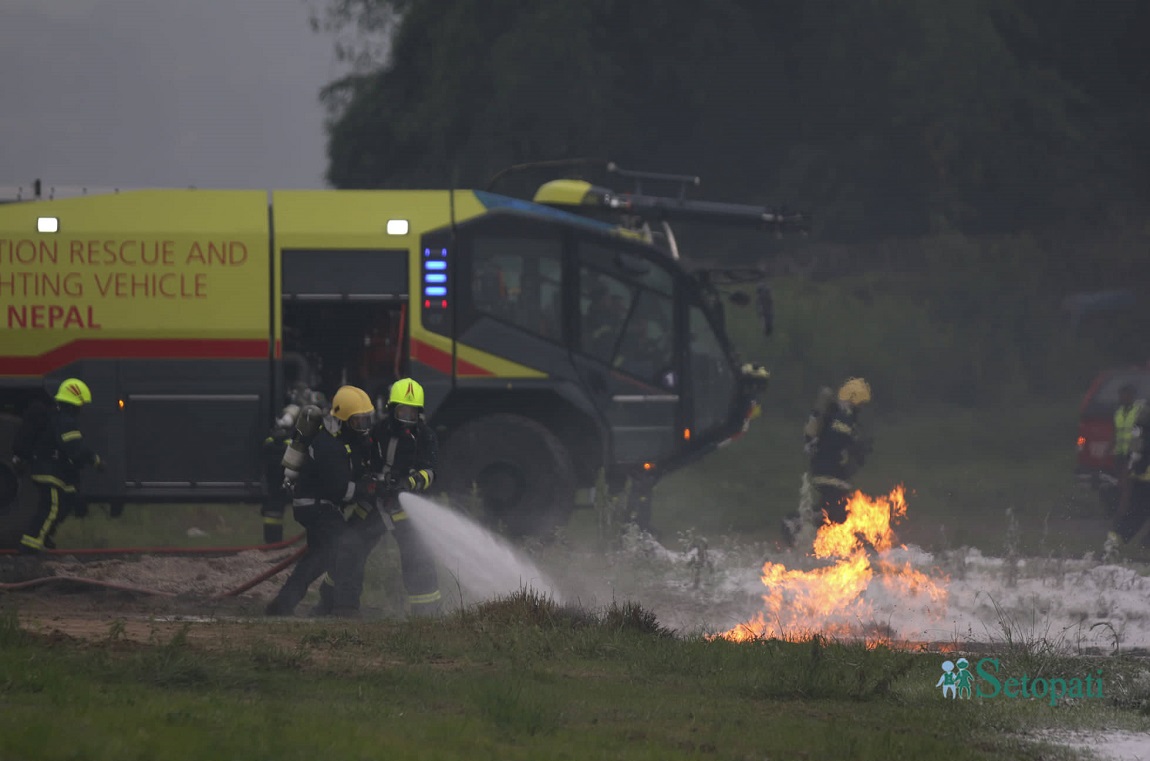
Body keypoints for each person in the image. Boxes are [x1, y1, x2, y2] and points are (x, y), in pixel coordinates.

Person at [314, 377, 442, 618]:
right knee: (349, 549)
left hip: (404, 505)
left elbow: (430, 472)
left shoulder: (426, 437)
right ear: (391, 409)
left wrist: (408, 483)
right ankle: (338, 606)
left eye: (412, 413)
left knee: (417, 556)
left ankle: (427, 612)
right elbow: (362, 458)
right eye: (402, 411)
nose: (407, 418)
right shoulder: (379, 430)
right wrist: (369, 483)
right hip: (373, 504)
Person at [264, 385, 376, 616]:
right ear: (343, 420)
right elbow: (342, 490)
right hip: (315, 507)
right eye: (358, 422)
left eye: (366, 421)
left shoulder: (346, 439)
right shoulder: (328, 446)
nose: (363, 428)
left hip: (322, 505)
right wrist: (371, 489)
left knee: (320, 557)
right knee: (350, 545)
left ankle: (283, 605)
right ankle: (345, 608)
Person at [781, 377, 873, 547]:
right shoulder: (843, 417)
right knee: (835, 513)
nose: (862, 407)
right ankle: (795, 521)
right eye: (861, 403)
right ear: (855, 398)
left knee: (835, 511)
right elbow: (838, 440)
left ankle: (809, 532)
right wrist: (856, 446)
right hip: (831, 472)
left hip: (829, 470)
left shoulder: (837, 414)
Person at [19, 378, 104, 553]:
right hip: (49, 471)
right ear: (75, 403)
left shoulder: (58, 416)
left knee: (66, 502)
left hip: (55, 471)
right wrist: (95, 461)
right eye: (81, 405)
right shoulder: (65, 421)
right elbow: (75, 447)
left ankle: (44, 536)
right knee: (51, 508)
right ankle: (29, 546)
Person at [1104, 404, 1150, 560]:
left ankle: (1116, 541)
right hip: (1144, 477)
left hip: (1139, 476)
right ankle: (1115, 542)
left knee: (1136, 513)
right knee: (1138, 513)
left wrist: (1130, 469)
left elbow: (1134, 451)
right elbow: (1136, 451)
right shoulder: (1142, 426)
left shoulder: (1139, 424)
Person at [1111, 383, 1144, 514]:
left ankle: (1124, 511)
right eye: (1121, 395)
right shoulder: (1118, 412)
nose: (1122, 397)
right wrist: (1110, 447)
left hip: (1132, 454)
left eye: (1125, 395)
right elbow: (1115, 431)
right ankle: (1125, 509)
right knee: (1122, 483)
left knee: (1127, 484)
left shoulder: (1138, 411)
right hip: (1120, 453)